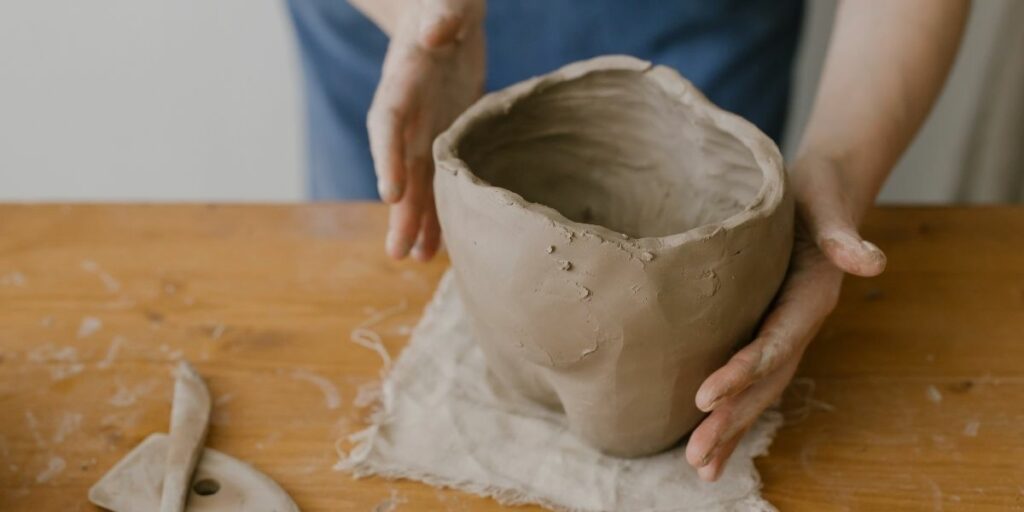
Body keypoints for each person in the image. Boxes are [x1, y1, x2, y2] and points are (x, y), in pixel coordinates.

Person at [287, 0, 969, 482]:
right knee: (391, 266)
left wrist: (840, 170)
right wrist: (417, 15)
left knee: (654, 389)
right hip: (415, 56)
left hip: (703, 66)